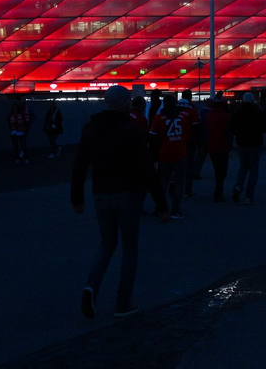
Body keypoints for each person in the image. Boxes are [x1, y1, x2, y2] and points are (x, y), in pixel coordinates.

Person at [71, 85, 169, 320]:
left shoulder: (90, 129)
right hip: (127, 193)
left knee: (106, 243)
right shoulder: (131, 130)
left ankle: (91, 287)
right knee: (129, 247)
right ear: (126, 104)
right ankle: (122, 302)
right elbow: (147, 169)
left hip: (100, 194)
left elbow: (80, 165)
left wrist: (76, 198)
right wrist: (161, 204)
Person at [149, 95, 192, 219]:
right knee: (179, 183)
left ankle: (161, 208)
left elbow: (153, 138)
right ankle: (176, 210)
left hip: (164, 154)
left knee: (163, 182)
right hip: (180, 153)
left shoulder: (158, 118)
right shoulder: (183, 117)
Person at [231, 92, 266, 204]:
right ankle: (249, 195)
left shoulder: (238, 112)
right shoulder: (257, 112)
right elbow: (264, 128)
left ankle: (238, 186)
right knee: (253, 169)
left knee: (243, 166)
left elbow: (233, 128)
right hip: (255, 142)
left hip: (242, 143)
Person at [205, 94, 233, 201]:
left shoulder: (208, 117)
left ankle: (218, 190)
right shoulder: (227, 117)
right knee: (222, 170)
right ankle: (218, 191)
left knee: (217, 169)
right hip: (223, 146)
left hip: (212, 146)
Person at [178, 90, 202, 197]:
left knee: (177, 163)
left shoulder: (174, 108)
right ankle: (188, 189)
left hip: (176, 139)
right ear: (190, 97)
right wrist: (199, 141)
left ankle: (175, 182)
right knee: (189, 164)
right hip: (189, 140)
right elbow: (196, 127)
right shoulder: (192, 109)